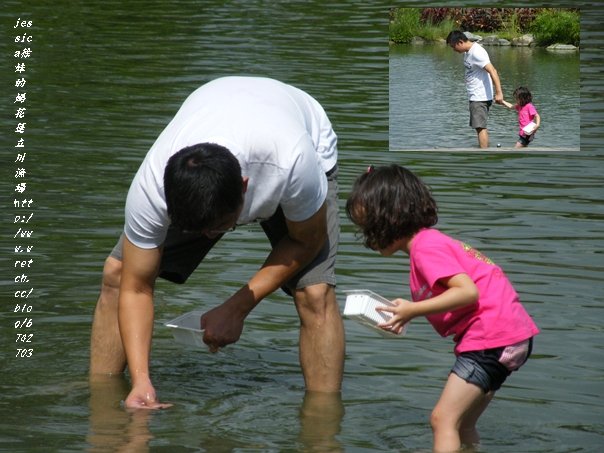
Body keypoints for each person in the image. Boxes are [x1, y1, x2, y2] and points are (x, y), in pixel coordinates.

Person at [89, 76, 345, 409]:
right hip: (220, 118)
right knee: (118, 274)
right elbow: (137, 288)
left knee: (315, 293)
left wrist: (236, 308)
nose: (212, 238)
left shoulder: (293, 161)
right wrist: (142, 381)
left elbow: (306, 240)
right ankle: (105, 399)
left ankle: (322, 428)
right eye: (201, 230)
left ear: (245, 188)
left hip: (301, 140)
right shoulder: (150, 188)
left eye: (220, 227)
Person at [345, 164, 539, 452]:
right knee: (462, 425)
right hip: (512, 337)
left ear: (391, 218)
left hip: (491, 338)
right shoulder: (431, 243)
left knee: (442, 420)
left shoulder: (425, 248)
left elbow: (467, 292)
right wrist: (408, 311)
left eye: (369, 228)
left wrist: (412, 309)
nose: (367, 239)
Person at [446, 30, 504, 149]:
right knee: (479, 127)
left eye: (453, 47)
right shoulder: (469, 52)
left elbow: (493, 71)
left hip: (480, 96)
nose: (454, 50)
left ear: (460, 42)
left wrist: (499, 93)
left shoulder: (477, 52)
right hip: (475, 95)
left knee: (480, 127)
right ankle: (484, 149)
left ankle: (484, 154)